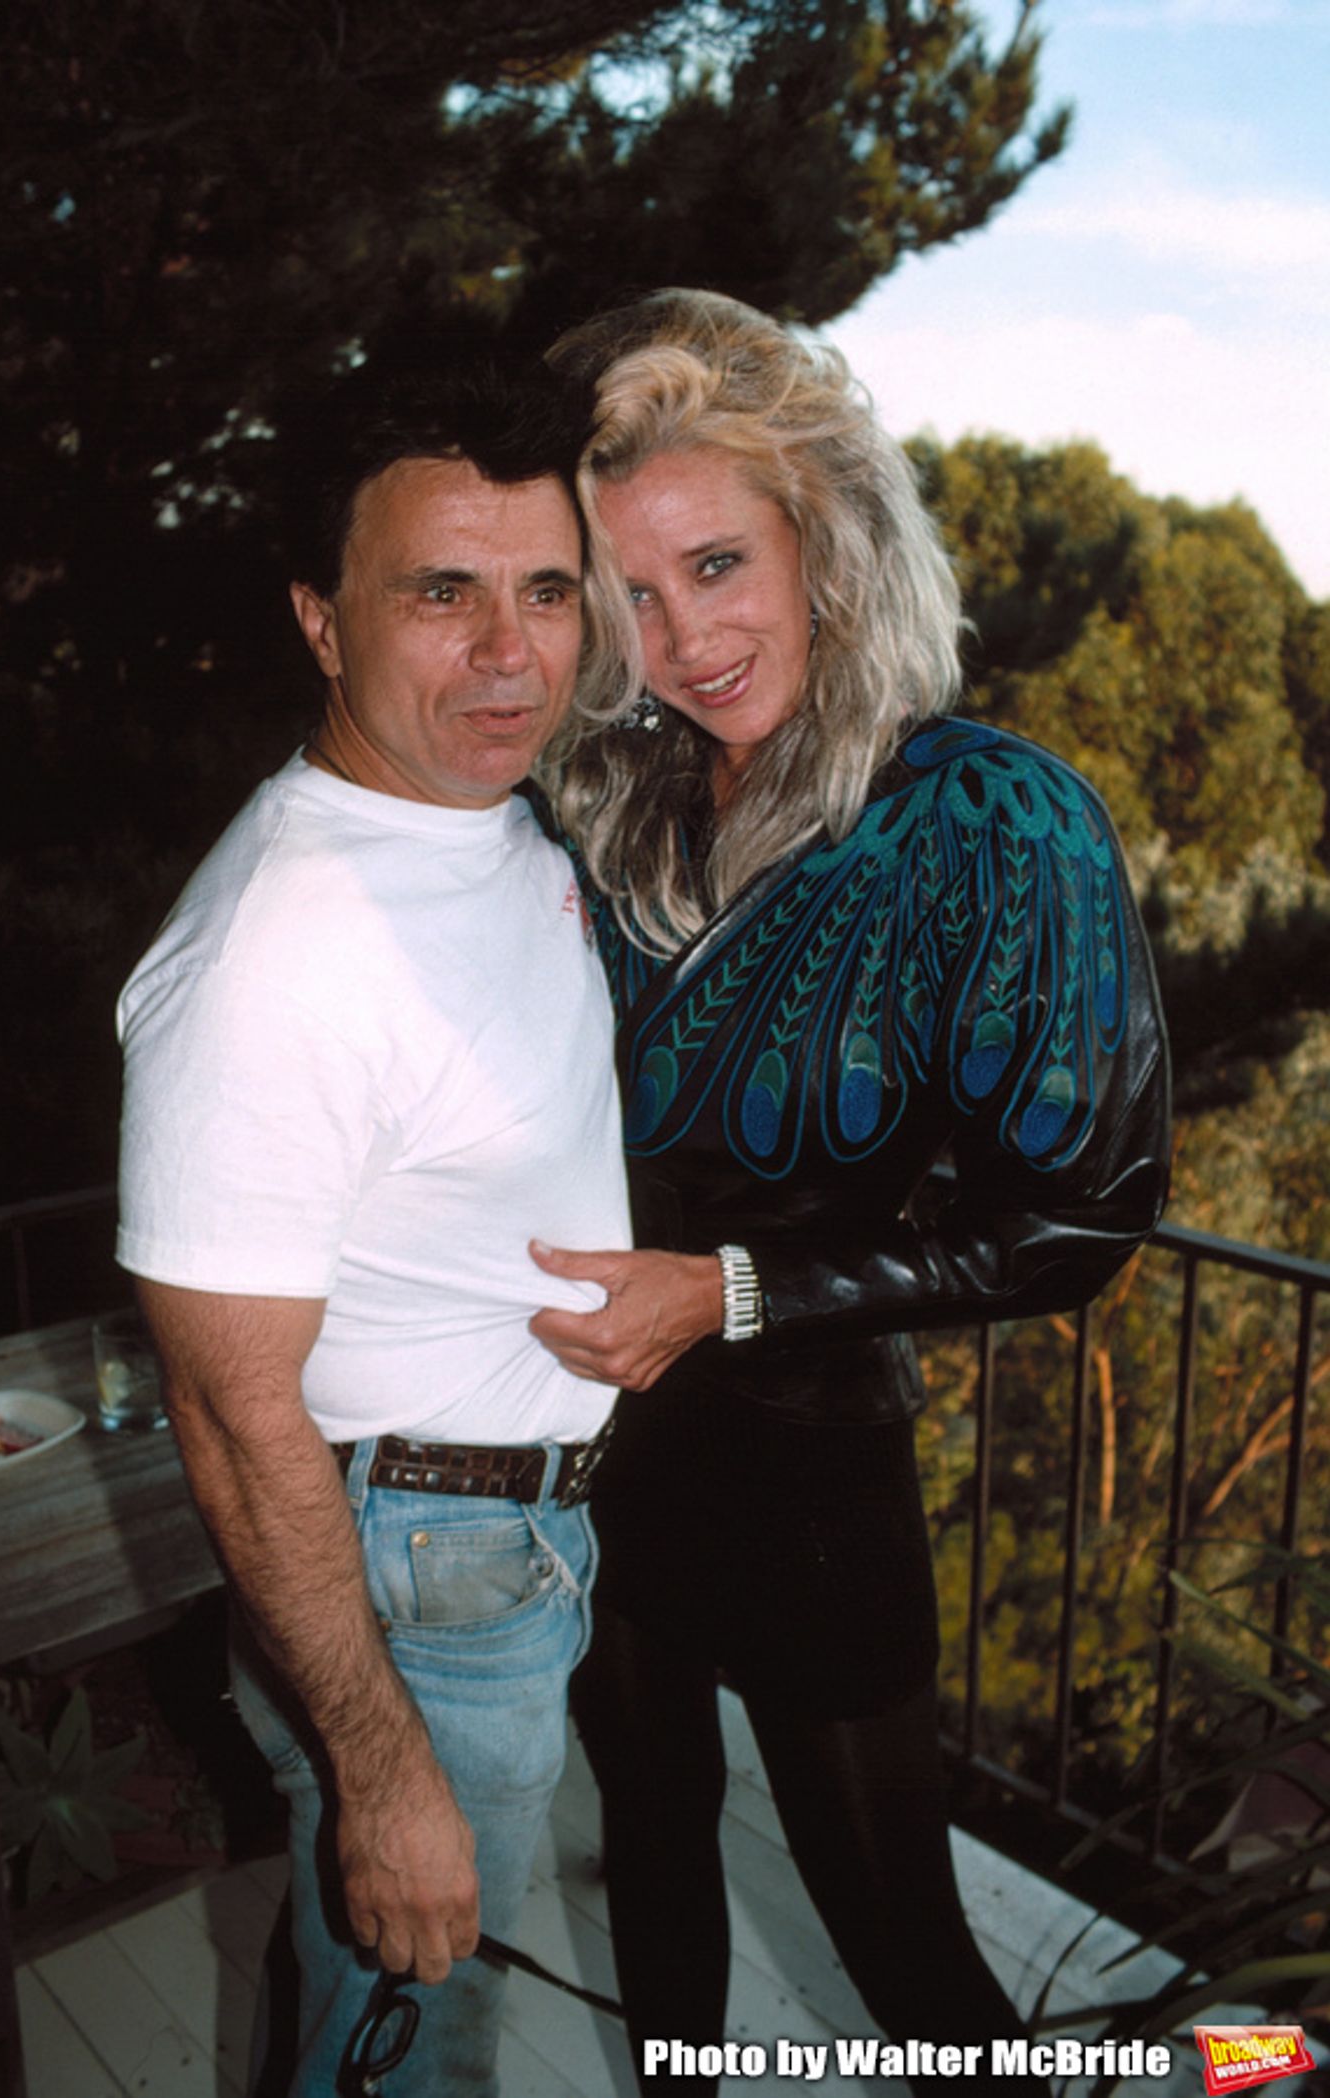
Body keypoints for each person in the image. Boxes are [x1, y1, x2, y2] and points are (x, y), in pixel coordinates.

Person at [528, 290, 1171, 2095]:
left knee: (915, 1965)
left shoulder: (988, 822)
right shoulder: (609, 802)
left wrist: (730, 1292)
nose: (684, 641)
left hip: (809, 1478)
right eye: (631, 596)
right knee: (654, 1851)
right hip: (601, 1451)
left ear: (827, 538)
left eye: (718, 564)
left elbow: (1086, 1210)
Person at [114, 341, 633, 2097]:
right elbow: (227, 1408)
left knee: (364, 2011)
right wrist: (384, 1767)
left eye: (546, 590)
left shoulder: (488, 818)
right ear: (321, 622)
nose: (511, 652)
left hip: (498, 1546)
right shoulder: (274, 951)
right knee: (416, 2049)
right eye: (441, 594)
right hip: (408, 1584)